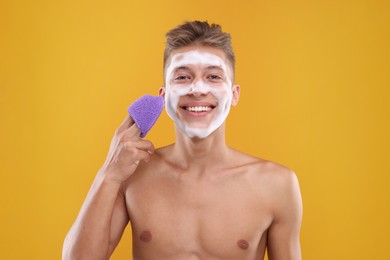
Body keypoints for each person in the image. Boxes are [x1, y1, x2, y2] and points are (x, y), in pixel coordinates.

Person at [63, 20, 303, 260]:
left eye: (213, 76)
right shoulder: (131, 174)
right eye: (182, 77)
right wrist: (109, 173)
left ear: (234, 94)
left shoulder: (276, 184)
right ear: (163, 95)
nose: (197, 89)